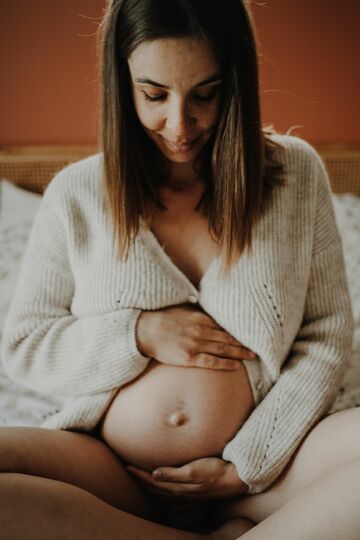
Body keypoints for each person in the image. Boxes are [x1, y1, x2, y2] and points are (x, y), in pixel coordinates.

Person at [0, 0, 356, 538]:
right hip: (113, 472)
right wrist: (137, 334)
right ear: (122, 86)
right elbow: (24, 346)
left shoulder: (295, 174)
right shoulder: (77, 194)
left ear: (234, 82)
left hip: (270, 472)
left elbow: (327, 336)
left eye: (205, 95)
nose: (180, 124)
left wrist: (246, 465)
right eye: (154, 95)